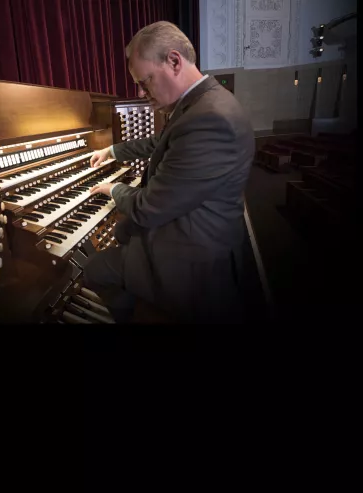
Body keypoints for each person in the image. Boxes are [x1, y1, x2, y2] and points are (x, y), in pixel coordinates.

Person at [84, 21, 255, 324]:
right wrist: (111, 151)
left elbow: (149, 207)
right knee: (123, 232)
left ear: (174, 61)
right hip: (203, 230)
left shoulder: (209, 119)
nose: (141, 91)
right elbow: (159, 142)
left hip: (194, 258)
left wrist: (113, 190)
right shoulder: (203, 103)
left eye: (145, 80)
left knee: (94, 270)